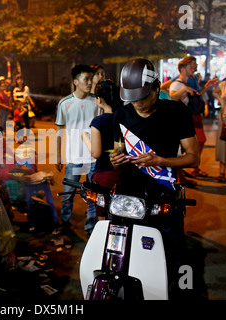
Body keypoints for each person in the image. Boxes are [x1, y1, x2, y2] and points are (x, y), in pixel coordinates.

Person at [109, 58, 200, 298]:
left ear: (156, 89)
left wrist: (161, 161)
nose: (137, 103)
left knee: (175, 253)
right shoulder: (121, 113)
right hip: (128, 197)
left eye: (142, 97)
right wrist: (115, 157)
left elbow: (193, 158)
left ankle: (184, 293)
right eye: (132, 98)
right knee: (122, 253)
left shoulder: (176, 112)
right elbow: (117, 148)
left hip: (163, 195)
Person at [55, 64, 99, 235]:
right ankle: (65, 224)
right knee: (68, 195)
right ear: (75, 82)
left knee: (92, 197)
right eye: (86, 79)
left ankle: (91, 227)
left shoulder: (96, 102)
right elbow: (59, 130)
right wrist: (58, 155)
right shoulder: (65, 104)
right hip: (73, 157)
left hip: (93, 157)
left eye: (91, 78)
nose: (90, 82)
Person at [169, 56, 218, 179]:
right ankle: (180, 175)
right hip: (179, 121)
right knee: (182, 147)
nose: (194, 69)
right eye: (191, 67)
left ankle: (185, 170)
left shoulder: (189, 82)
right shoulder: (177, 84)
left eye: (195, 67)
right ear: (183, 69)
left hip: (190, 119)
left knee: (195, 143)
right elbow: (172, 97)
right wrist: (184, 89)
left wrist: (206, 86)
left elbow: (197, 94)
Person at [81, 79, 122, 218]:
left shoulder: (98, 121)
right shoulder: (124, 118)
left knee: (103, 217)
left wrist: (85, 138)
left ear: (100, 100)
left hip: (105, 174)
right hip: (123, 173)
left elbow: (96, 153)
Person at [12, 73, 35, 137]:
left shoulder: (26, 88)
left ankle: (27, 136)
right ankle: (20, 136)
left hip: (24, 107)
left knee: (26, 121)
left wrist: (19, 103)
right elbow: (14, 98)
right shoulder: (15, 89)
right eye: (18, 80)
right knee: (18, 122)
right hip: (17, 108)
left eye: (21, 79)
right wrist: (18, 102)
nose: (19, 81)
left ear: (23, 80)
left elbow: (24, 100)